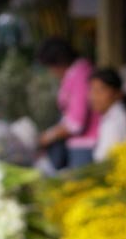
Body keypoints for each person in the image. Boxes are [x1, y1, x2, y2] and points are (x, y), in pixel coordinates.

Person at [36, 37, 98, 168]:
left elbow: (75, 124)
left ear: (59, 63)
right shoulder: (75, 74)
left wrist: (48, 137)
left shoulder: (81, 76)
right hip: (78, 144)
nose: (51, 72)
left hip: (85, 145)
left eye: (50, 67)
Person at [88, 67, 126, 161]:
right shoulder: (111, 114)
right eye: (92, 90)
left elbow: (105, 158)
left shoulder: (115, 120)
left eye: (100, 91)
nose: (94, 96)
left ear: (117, 93)